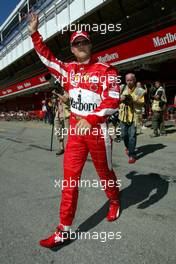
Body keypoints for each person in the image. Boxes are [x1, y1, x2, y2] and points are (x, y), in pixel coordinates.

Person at [28, 13, 121, 248]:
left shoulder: (106, 70)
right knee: (69, 181)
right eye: (76, 43)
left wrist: (90, 119)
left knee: (105, 173)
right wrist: (34, 34)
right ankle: (64, 229)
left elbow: (112, 100)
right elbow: (47, 58)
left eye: (84, 42)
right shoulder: (67, 70)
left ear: (90, 45)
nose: (80, 46)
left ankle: (114, 200)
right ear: (72, 48)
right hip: (76, 135)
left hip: (98, 132)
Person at [119, 73, 145, 164]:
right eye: (127, 80)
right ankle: (128, 148)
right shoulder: (121, 88)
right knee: (123, 135)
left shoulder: (140, 91)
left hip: (134, 117)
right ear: (125, 80)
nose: (129, 82)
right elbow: (114, 99)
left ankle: (132, 155)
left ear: (134, 80)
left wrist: (132, 100)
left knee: (132, 137)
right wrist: (120, 99)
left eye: (131, 80)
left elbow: (142, 103)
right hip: (123, 117)